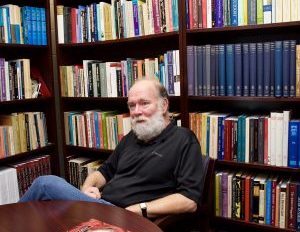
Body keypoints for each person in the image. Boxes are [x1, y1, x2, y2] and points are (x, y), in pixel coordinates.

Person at [19, 78, 204, 218]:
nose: (136, 111)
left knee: (46, 184)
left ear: (164, 105)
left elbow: (189, 200)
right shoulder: (132, 137)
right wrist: (87, 188)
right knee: (46, 219)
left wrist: (141, 209)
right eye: (132, 105)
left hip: (127, 218)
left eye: (144, 103)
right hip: (101, 206)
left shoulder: (183, 140)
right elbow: (104, 171)